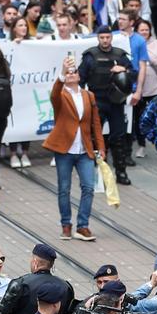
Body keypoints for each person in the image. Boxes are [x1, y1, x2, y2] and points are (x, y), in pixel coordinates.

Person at [42, 55, 107, 243]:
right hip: (64, 149)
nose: (71, 75)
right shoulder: (61, 95)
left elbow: (96, 123)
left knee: (88, 187)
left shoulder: (88, 95)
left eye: (74, 72)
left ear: (79, 76)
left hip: (84, 149)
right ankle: (66, 224)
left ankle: (82, 225)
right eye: (68, 73)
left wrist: (100, 146)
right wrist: (61, 74)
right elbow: (54, 94)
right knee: (64, 188)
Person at [78, 28, 136, 185]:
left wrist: (124, 70)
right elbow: (80, 79)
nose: (105, 40)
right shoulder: (90, 56)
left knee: (119, 137)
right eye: (102, 37)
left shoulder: (120, 55)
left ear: (111, 38)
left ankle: (121, 171)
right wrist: (83, 100)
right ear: (98, 38)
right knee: (95, 138)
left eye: (107, 37)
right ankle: (98, 171)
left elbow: (133, 73)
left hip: (116, 102)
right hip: (97, 101)